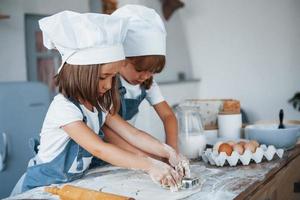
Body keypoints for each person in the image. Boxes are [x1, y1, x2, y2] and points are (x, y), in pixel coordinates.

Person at [11, 10, 188, 196]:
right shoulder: (64, 108)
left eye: (113, 77)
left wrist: (168, 151)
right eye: (104, 77)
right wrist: (149, 165)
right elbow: (100, 148)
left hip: (68, 186)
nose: (109, 85)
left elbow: (132, 134)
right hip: (39, 188)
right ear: (81, 73)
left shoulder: (101, 103)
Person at [100, 5, 179, 160]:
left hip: (130, 147)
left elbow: (168, 116)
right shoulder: (106, 84)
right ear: (122, 59)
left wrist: (173, 151)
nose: (145, 76)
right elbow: (108, 131)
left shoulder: (147, 83)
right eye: (140, 69)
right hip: (108, 148)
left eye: (152, 71)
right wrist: (146, 157)